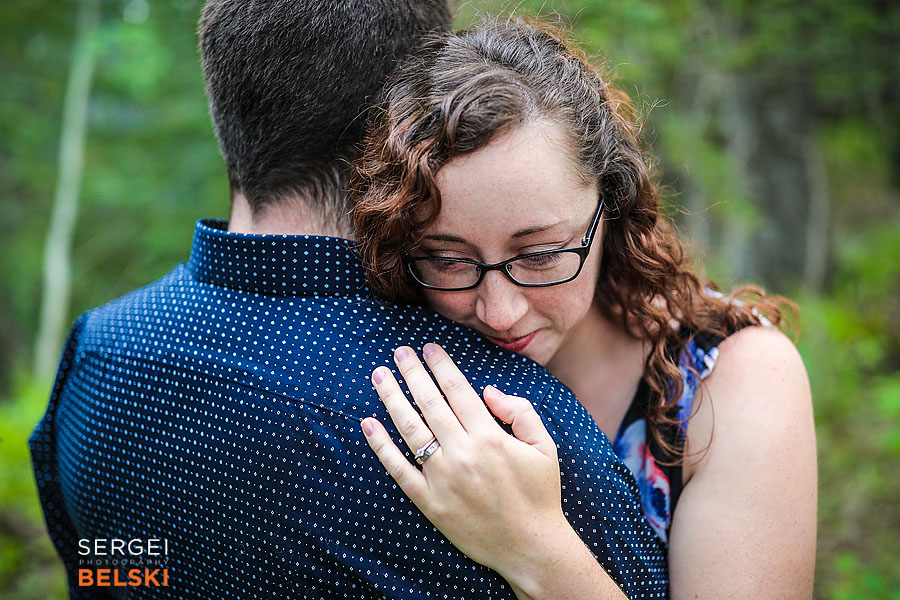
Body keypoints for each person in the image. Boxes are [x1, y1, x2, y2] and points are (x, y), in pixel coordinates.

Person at [29, 3, 667, 599]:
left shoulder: (97, 354)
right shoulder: (503, 427)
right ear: (415, 117)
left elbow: (110, 570)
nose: (500, 309)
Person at [352, 20, 818, 598]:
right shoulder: (387, 347)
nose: (500, 311)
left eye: (542, 253)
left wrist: (532, 547)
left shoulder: (735, 379)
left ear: (613, 207)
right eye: (449, 261)